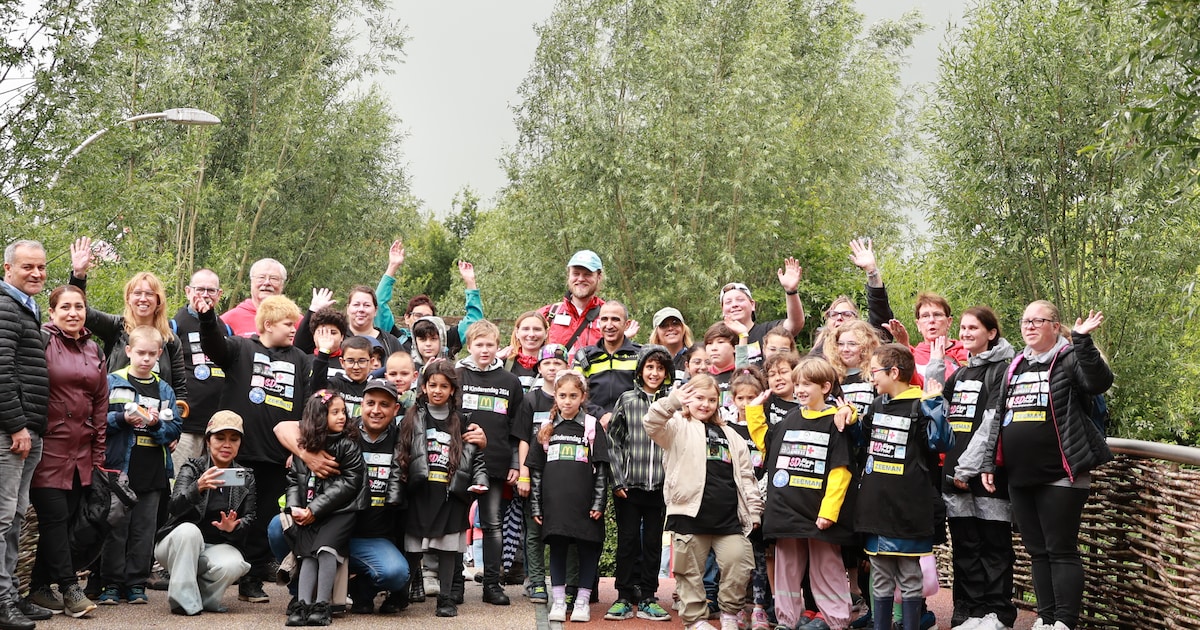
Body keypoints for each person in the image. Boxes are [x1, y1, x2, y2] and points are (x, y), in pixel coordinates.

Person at [997, 302, 1111, 630]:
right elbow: (999, 418)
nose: (1030, 326)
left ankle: (1064, 621)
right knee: (1037, 551)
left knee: (1060, 549)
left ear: (1054, 325)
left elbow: (1098, 381)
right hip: (1021, 475)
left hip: (1061, 473)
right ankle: (1046, 618)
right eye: (1025, 321)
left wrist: (1083, 340)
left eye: (1038, 321)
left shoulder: (1070, 358)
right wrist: (992, 462)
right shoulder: (1016, 365)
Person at [197, 293, 312, 603]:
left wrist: (296, 448)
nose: (293, 329)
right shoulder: (241, 348)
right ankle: (215, 573)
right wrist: (207, 318)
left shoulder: (300, 359)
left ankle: (251, 580)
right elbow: (213, 346)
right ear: (269, 324)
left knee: (263, 518)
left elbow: (305, 408)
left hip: (277, 458)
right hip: (238, 458)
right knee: (232, 513)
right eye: (289, 324)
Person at [274, 379, 412, 616]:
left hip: (368, 535)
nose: (376, 410)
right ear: (361, 405)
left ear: (396, 409)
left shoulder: (404, 439)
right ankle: (301, 596)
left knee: (395, 573)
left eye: (384, 404)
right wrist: (305, 454)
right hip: (324, 521)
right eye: (370, 403)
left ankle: (360, 588)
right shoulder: (343, 431)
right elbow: (281, 428)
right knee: (278, 527)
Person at [644, 376, 763, 630]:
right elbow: (651, 423)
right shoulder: (677, 426)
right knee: (689, 572)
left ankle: (730, 614)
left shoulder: (731, 434)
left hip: (729, 517)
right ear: (688, 400)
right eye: (699, 398)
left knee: (739, 563)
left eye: (711, 400)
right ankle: (695, 620)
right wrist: (673, 401)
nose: (705, 404)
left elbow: (746, 476)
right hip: (689, 514)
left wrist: (753, 511)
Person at [753, 357, 857, 630]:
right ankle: (787, 619)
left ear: (825, 387)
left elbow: (841, 471)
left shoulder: (836, 422)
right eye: (797, 383)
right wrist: (753, 412)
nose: (798, 389)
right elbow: (768, 447)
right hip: (787, 511)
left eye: (806, 384)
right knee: (787, 568)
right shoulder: (790, 418)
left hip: (818, 514)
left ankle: (836, 620)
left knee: (827, 567)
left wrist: (829, 512)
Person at [856, 344, 953, 630]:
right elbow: (860, 444)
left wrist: (935, 406)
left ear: (894, 372)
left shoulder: (922, 405)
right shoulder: (875, 406)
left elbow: (941, 443)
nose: (871, 378)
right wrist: (846, 420)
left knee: (911, 576)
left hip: (909, 510)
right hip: (876, 509)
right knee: (880, 575)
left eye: (874, 371)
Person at [27, 285, 106, 618]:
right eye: (66, 307)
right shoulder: (41, 342)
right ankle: (70, 588)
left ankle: (39, 588)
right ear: (53, 312)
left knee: (70, 521)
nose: (73, 313)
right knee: (55, 519)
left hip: (83, 453)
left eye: (79, 307)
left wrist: (99, 454)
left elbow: (100, 403)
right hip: (49, 449)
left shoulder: (94, 349)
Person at [937, 307, 1017, 630]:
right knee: (966, 546)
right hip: (954, 475)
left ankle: (998, 613)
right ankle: (968, 610)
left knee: (995, 546)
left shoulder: (1003, 370)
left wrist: (967, 468)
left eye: (974, 327)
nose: (967, 333)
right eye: (963, 328)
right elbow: (940, 413)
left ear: (991, 333)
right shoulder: (958, 374)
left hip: (986, 475)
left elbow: (991, 423)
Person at [395, 361, 488, 618]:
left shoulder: (464, 420)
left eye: (444, 386)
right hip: (419, 493)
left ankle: (446, 599)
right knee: (413, 547)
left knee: (448, 549)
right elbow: (401, 454)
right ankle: (401, 593)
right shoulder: (412, 418)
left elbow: (476, 457)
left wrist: (479, 480)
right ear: (423, 387)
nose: (437, 390)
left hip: (450, 495)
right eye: (432, 385)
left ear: (452, 390)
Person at [100, 326, 183, 606]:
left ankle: (136, 583)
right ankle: (111, 583)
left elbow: (175, 429)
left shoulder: (164, 388)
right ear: (128, 352)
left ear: (159, 354)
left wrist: (157, 423)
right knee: (116, 527)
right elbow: (98, 421)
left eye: (151, 354)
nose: (145, 359)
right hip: (119, 468)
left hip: (153, 469)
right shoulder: (112, 381)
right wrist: (122, 420)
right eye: (140, 353)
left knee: (144, 531)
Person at [528, 371, 611, 624]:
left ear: (582, 397)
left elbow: (602, 470)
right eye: (562, 395)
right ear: (555, 396)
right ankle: (560, 600)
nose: (567, 401)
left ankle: (583, 600)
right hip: (555, 504)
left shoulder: (591, 426)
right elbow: (537, 472)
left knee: (587, 549)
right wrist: (536, 504)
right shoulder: (547, 429)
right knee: (558, 550)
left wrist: (599, 502)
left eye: (573, 396)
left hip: (585, 504)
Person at [153, 411, 256, 617]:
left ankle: (204, 599)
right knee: (189, 532)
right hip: (177, 545)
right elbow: (173, 507)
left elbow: (250, 519)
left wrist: (233, 528)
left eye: (233, 439)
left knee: (235, 564)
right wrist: (197, 487)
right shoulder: (193, 468)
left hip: (215, 548)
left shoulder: (245, 477)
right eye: (220, 438)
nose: (227, 444)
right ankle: (183, 602)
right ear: (208, 441)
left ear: (239, 444)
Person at [68, 238, 189, 412]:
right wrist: (78, 276)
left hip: (156, 423)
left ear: (158, 300)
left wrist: (172, 427)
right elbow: (83, 314)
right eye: (137, 293)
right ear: (128, 298)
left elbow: (179, 390)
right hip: (116, 419)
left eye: (149, 294)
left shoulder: (170, 340)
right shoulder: (116, 327)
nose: (143, 298)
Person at [283, 390, 367, 627]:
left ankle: (322, 604)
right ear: (319, 417)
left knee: (326, 550)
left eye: (343, 412)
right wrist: (295, 508)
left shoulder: (347, 445)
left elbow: (350, 483)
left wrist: (314, 509)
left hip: (341, 511)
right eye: (335, 412)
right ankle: (303, 604)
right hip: (311, 512)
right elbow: (293, 480)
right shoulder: (304, 447)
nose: (342, 417)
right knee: (307, 554)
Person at [0, 239, 50, 630]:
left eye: (41, 267)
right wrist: (16, 425)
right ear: (8, 269)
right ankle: (2, 602)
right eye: (27, 267)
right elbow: (1, 373)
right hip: (11, 433)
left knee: (16, 518)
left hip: (29, 431)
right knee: (2, 520)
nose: (36, 273)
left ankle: (12, 593)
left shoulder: (25, 308)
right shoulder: (4, 307)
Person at [455, 321, 525, 605]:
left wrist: (515, 463)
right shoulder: (456, 375)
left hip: (496, 464)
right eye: (479, 345)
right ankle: (454, 584)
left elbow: (516, 429)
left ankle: (493, 584)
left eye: (490, 345)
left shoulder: (510, 382)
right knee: (456, 524)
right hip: (458, 463)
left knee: (493, 524)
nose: (484, 350)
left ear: (499, 348)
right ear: (469, 346)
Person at [604, 346, 674, 623]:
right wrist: (617, 479)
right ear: (640, 370)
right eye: (649, 367)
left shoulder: (672, 404)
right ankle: (622, 596)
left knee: (654, 544)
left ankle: (648, 596)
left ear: (666, 373)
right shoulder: (627, 400)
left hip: (660, 487)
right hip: (629, 486)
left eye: (660, 368)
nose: (654, 373)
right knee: (628, 541)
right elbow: (614, 442)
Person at [511, 344, 571, 604]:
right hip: (535, 476)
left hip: (565, 478)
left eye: (557, 364)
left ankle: (570, 582)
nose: (552, 368)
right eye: (547, 364)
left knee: (567, 531)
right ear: (539, 367)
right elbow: (523, 439)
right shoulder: (531, 399)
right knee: (533, 531)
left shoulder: (572, 398)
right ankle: (535, 581)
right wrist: (523, 473)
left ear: (566, 367)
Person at [373, 242, 484, 358]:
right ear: (407, 318)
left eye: (428, 316)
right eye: (418, 315)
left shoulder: (445, 341)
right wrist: (393, 266)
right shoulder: (396, 339)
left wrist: (470, 282)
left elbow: (474, 322)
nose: (423, 320)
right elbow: (378, 304)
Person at [170, 269, 231, 475]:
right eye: (200, 289)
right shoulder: (175, 324)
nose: (205, 295)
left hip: (218, 425)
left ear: (219, 294)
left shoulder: (226, 328)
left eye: (211, 290)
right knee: (181, 481)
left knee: (216, 484)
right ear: (188, 291)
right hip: (187, 424)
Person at [725, 368, 771, 630]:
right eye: (740, 398)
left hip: (759, 503)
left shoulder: (763, 428)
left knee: (759, 557)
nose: (745, 403)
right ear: (732, 400)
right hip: (732, 505)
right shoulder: (727, 428)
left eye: (751, 397)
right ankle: (737, 607)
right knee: (736, 558)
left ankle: (760, 608)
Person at [808, 239, 896, 356]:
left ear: (857, 321)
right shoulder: (816, 356)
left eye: (846, 314)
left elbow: (880, 313)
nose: (839, 318)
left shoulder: (869, 347)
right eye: (833, 314)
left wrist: (871, 271)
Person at [718, 256, 805, 366]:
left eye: (740, 300)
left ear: (752, 304)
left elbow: (795, 323)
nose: (734, 305)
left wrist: (791, 291)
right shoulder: (718, 340)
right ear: (722, 309)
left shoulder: (767, 331)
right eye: (728, 302)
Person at [576, 301, 640, 417]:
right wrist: (601, 415)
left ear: (626, 324)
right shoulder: (584, 357)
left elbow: (649, 392)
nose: (609, 325)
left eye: (615, 319)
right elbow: (575, 393)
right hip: (593, 425)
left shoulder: (641, 355)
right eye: (604, 319)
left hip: (632, 424)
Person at [539, 250, 607, 353]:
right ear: (569, 276)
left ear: (599, 277)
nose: (580, 279)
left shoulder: (609, 317)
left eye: (587, 274)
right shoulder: (547, 314)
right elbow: (525, 354)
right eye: (576, 274)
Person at [221, 258, 288, 338]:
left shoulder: (295, 319)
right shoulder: (229, 319)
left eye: (273, 278)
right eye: (261, 278)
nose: (267, 283)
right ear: (251, 282)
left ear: (282, 285)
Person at [503, 311, 550, 392]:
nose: (531, 334)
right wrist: (493, 360)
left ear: (546, 333)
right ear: (517, 332)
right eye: (526, 329)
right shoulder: (503, 364)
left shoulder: (554, 365)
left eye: (537, 329)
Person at [647, 307, 694, 380]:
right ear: (656, 333)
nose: (670, 328)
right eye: (664, 325)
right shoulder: (648, 360)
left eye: (675, 323)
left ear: (683, 328)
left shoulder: (694, 357)